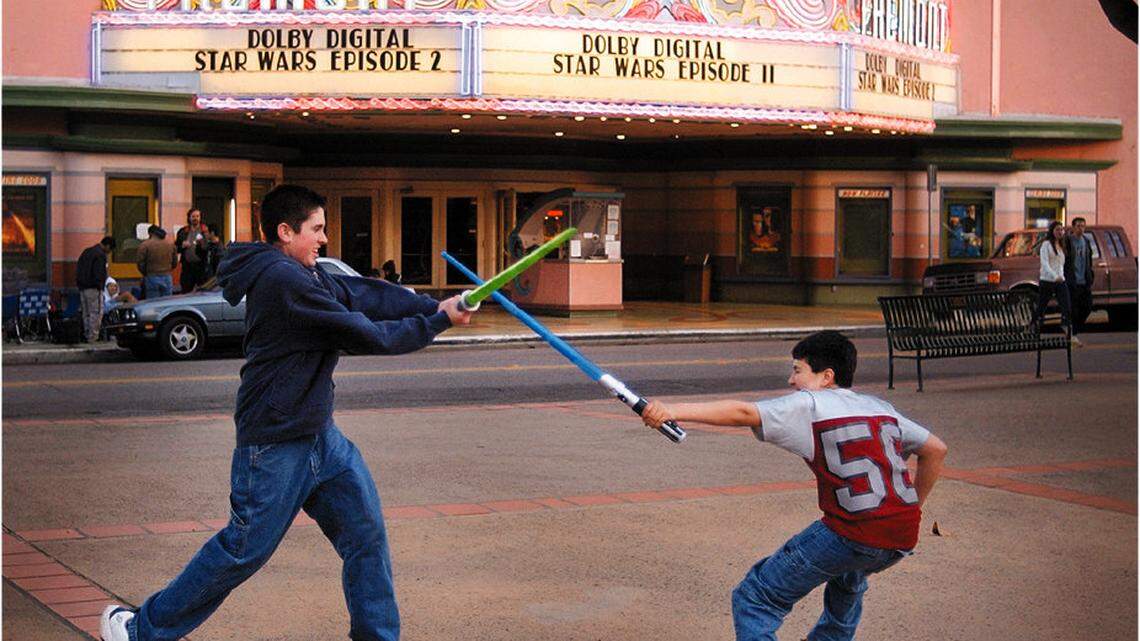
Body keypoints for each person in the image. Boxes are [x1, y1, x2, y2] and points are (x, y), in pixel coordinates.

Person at [100, 184, 474, 641]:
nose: (323, 239)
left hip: (321, 438)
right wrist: (436, 321)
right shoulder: (283, 280)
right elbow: (366, 334)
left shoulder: (310, 274)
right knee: (242, 551)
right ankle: (140, 629)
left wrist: (430, 305)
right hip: (274, 444)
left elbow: (363, 293)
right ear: (285, 231)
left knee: (365, 537)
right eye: (316, 229)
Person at [639, 331, 948, 641]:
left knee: (756, 597)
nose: (791, 380)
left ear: (826, 377)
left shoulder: (810, 404)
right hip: (901, 536)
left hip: (852, 531)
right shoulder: (879, 407)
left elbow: (744, 413)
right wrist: (912, 509)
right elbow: (936, 449)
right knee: (847, 584)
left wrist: (672, 411)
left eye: (797, 370)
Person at [1033, 220, 1080, 346]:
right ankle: (1033, 327)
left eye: (1061, 230)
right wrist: (1054, 276)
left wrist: (1061, 277)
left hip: (1060, 281)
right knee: (1042, 306)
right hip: (1047, 281)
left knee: (1066, 306)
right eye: (1057, 230)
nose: (1060, 232)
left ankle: (1069, 333)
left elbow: (1060, 265)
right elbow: (1045, 264)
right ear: (1052, 231)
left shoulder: (1061, 246)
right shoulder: (1046, 245)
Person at [76, 236, 115, 342]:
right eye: (110, 250)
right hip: (94, 288)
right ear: (107, 246)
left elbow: (79, 268)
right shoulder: (100, 255)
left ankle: (86, 333)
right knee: (96, 312)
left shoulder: (87, 251)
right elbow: (99, 273)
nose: (109, 252)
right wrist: (100, 286)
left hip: (83, 287)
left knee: (86, 312)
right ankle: (93, 336)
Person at [1064, 217, 1095, 334]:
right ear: (1073, 227)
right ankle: (1073, 332)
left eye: (1083, 226)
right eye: (1078, 226)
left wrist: (1090, 275)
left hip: (1084, 281)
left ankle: (1075, 329)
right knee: (1074, 308)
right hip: (1072, 281)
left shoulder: (1086, 241)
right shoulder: (1068, 241)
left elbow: (1089, 259)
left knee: (1087, 306)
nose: (1081, 229)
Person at [136, 225, 176, 299]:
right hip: (167, 276)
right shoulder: (170, 244)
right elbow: (174, 263)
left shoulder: (145, 245)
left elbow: (140, 263)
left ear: (150, 233)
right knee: (167, 302)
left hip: (151, 276)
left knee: (153, 303)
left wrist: (145, 273)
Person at [175, 208, 209, 293]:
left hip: (201, 267)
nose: (195, 218)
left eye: (197, 216)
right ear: (189, 218)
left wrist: (202, 243)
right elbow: (176, 248)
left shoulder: (205, 231)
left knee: (203, 291)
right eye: (193, 216)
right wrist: (182, 245)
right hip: (187, 267)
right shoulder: (183, 231)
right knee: (186, 290)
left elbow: (209, 247)